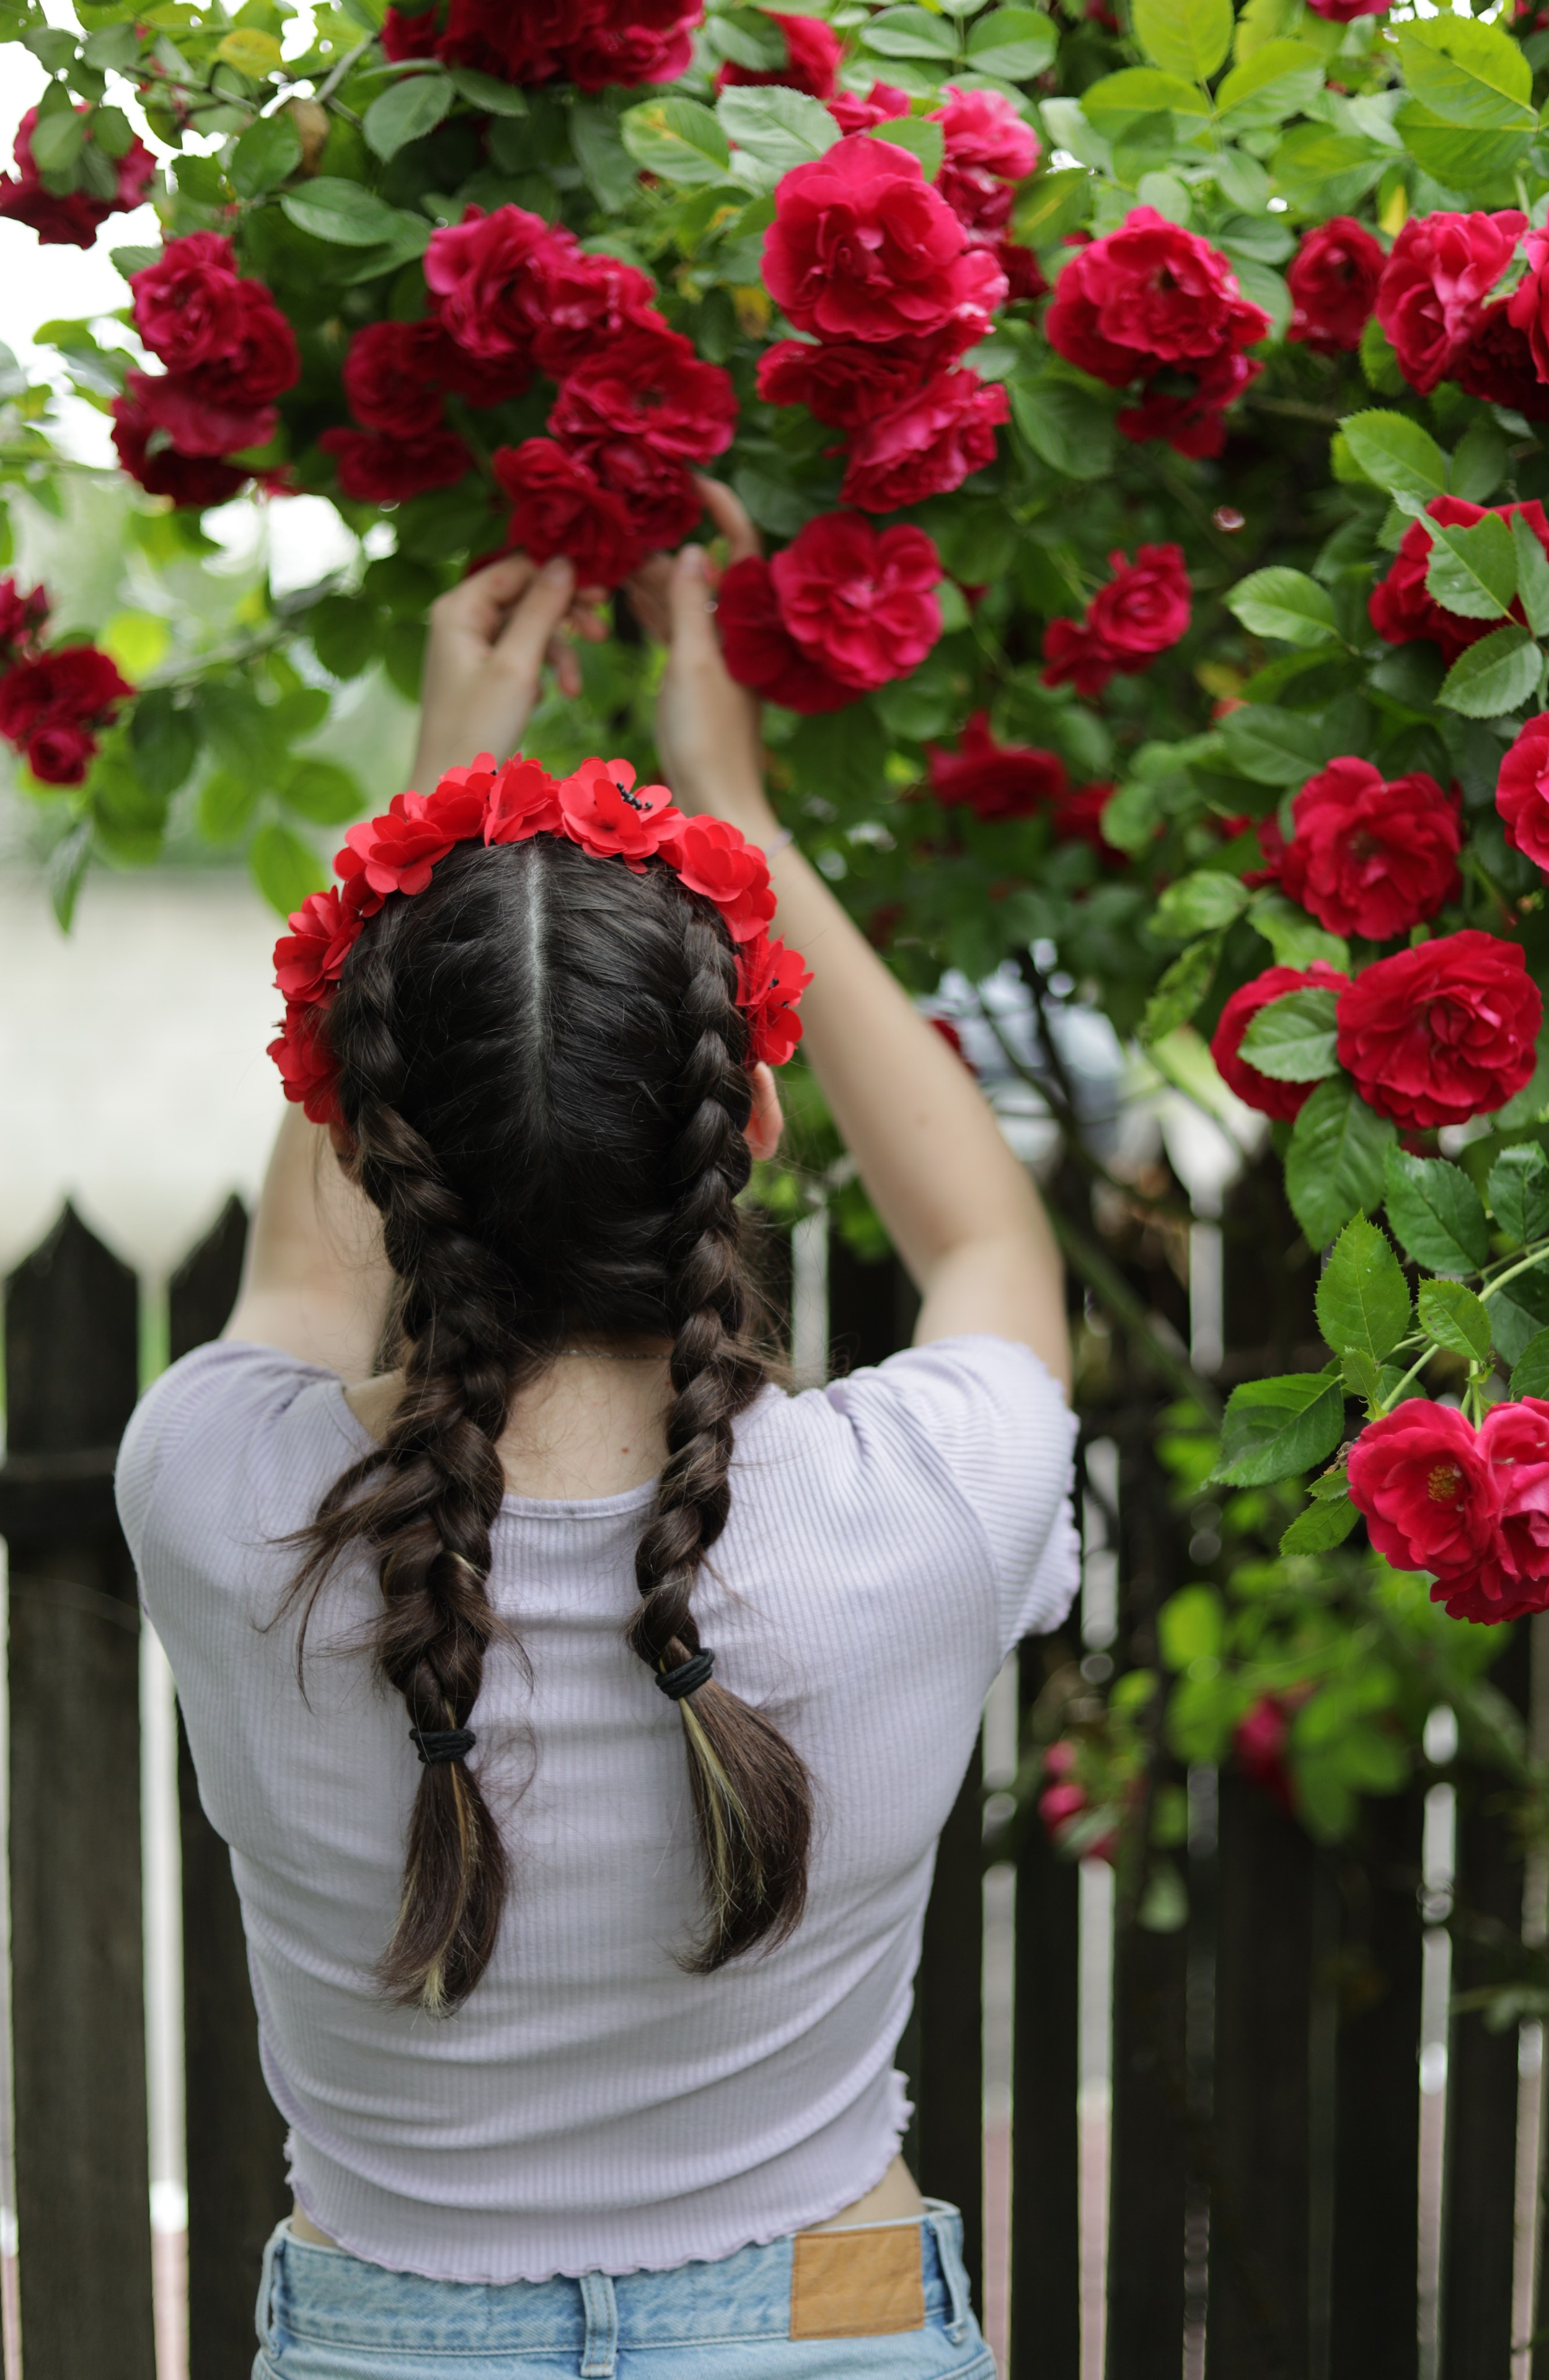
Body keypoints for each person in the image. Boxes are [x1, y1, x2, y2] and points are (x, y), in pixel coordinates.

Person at [117, 480, 1077, 2379]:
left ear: (353, 1137)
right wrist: (750, 815)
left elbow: (306, 1289)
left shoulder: (214, 1495)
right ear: (756, 1127)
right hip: (833, 2332)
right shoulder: (926, 1503)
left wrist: (430, 790)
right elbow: (983, 1232)